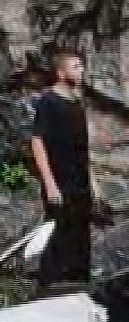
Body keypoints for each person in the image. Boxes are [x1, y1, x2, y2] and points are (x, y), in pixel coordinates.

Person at [28, 49, 93, 291]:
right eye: (76, 66)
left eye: (81, 66)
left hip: (80, 180)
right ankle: (49, 287)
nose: (81, 70)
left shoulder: (76, 102)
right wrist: (50, 183)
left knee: (80, 232)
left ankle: (78, 285)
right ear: (61, 72)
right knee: (59, 231)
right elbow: (37, 141)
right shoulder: (49, 101)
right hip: (59, 179)